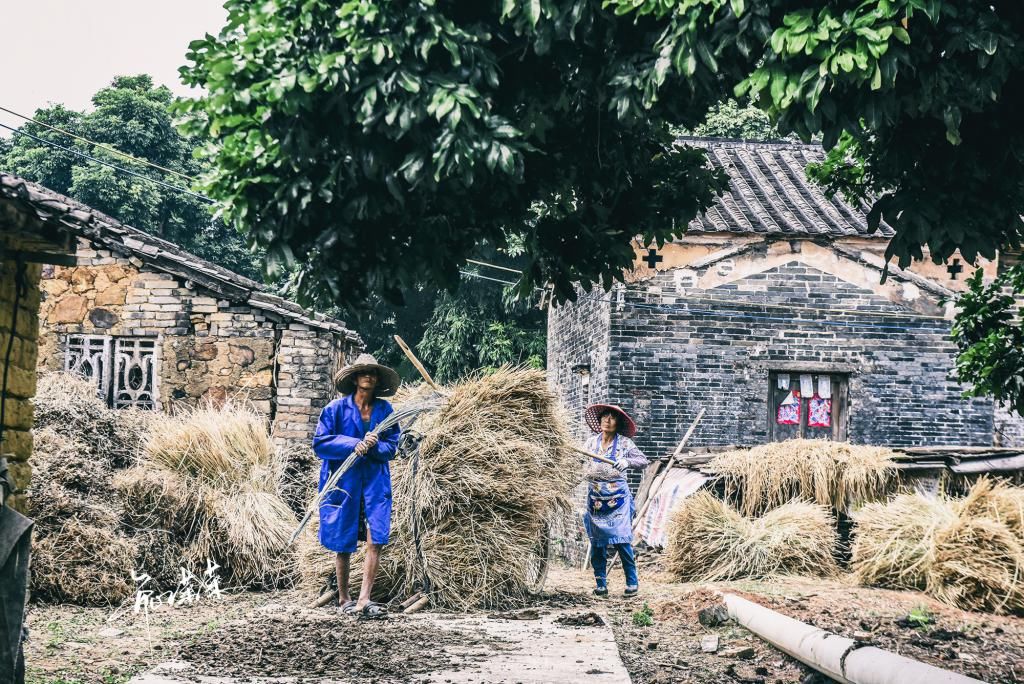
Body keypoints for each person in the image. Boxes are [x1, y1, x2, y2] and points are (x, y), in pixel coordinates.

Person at [313, 353, 401, 618]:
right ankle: (344, 599)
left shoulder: (385, 410)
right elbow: (320, 443)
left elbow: (392, 446)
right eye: (364, 373)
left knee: (376, 538)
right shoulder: (334, 410)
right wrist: (353, 444)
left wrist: (374, 446)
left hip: (374, 481)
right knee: (344, 538)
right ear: (354, 378)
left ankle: (364, 599)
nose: (369, 377)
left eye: (373, 373)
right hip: (344, 481)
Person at [582, 403, 649, 597]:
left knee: (622, 542)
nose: (607, 420)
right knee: (597, 544)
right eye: (604, 417)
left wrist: (627, 461)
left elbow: (643, 460)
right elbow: (577, 462)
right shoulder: (590, 443)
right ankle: (601, 585)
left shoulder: (625, 444)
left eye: (612, 417)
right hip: (595, 499)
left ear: (618, 423)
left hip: (618, 499)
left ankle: (632, 583)